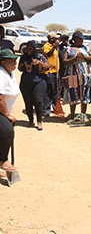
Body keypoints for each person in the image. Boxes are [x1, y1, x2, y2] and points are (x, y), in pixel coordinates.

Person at [18, 41, 49, 130]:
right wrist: (21, 66)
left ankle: (39, 121)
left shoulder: (40, 56)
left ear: (34, 49)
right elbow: (20, 69)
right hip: (25, 82)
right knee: (28, 103)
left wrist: (39, 63)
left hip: (38, 82)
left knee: (38, 101)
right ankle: (31, 121)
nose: (28, 51)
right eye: (27, 49)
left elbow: (47, 66)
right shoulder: (23, 57)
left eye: (30, 49)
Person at [62, 32, 91, 119]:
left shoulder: (85, 48)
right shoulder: (69, 49)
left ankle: (83, 115)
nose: (81, 41)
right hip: (72, 75)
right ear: (75, 40)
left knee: (84, 94)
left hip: (84, 75)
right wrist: (75, 59)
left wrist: (84, 57)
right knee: (73, 94)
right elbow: (65, 61)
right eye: (80, 39)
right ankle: (72, 115)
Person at [0, 49, 20, 177]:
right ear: (2, 62)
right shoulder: (1, 74)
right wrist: (7, 115)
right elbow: (0, 98)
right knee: (7, 132)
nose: (15, 64)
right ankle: (3, 160)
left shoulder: (10, 73)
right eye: (11, 61)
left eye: (15, 61)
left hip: (2, 110)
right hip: (1, 110)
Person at [42, 31, 61, 117]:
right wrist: (54, 47)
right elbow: (48, 55)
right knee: (48, 91)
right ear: (51, 39)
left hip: (55, 71)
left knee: (55, 91)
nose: (56, 39)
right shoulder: (47, 46)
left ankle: (55, 107)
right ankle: (46, 110)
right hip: (49, 72)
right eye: (55, 38)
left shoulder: (56, 47)